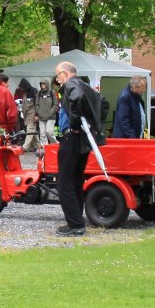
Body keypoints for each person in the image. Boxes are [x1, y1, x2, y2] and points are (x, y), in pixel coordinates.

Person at [54, 61, 103, 236]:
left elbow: (77, 98)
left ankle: (75, 224)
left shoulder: (71, 85)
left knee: (64, 182)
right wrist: (95, 125)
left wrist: (75, 123)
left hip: (72, 137)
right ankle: (77, 220)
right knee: (76, 180)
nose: (57, 80)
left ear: (65, 73)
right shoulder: (85, 86)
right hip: (83, 138)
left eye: (58, 75)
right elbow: (102, 103)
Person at [35, 81, 59, 147]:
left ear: (47, 84)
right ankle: (44, 148)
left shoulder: (52, 92)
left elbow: (55, 104)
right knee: (42, 133)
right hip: (41, 116)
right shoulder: (39, 93)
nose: (42, 85)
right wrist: (38, 112)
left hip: (51, 117)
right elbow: (36, 104)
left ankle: (56, 145)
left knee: (49, 131)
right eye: (41, 84)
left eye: (44, 84)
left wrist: (51, 113)